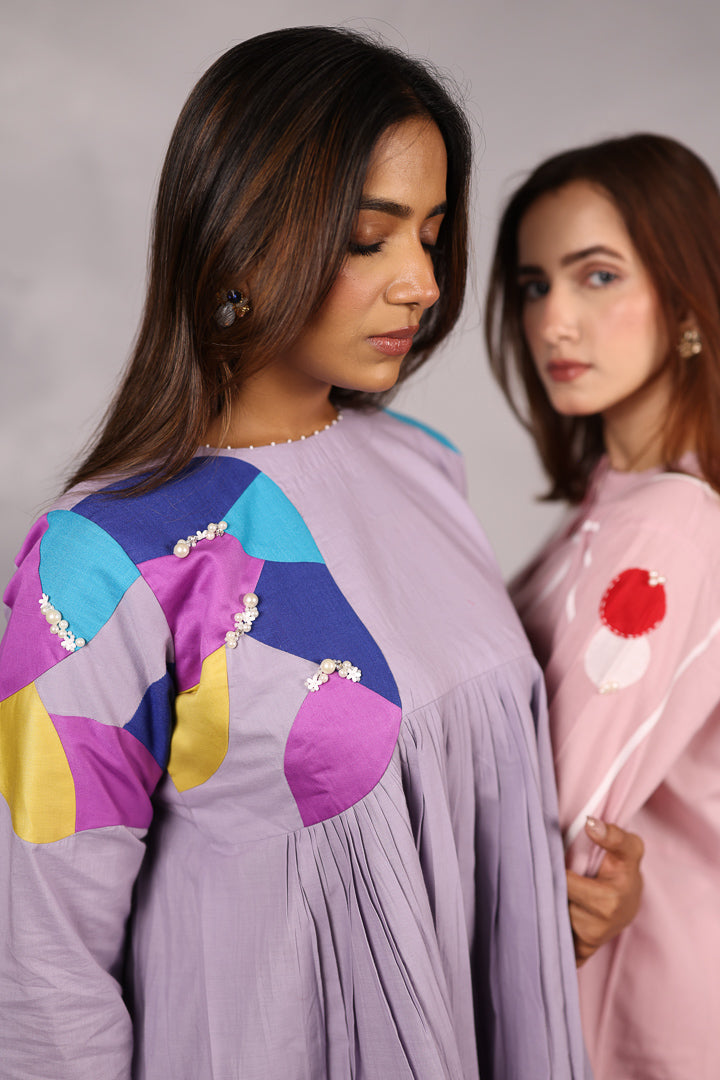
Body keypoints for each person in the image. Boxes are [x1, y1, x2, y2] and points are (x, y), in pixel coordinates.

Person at [0, 27, 588, 1080]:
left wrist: (564, 908)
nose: (422, 283)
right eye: (369, 239)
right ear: (236, 238)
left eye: (433, 235)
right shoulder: (100, 563)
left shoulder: (424, 465)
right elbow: (41, 976)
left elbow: (449, 835)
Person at [485, 132, 720, 1079]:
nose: (553, 321)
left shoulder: (669, 526)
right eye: (534, 285)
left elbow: (554, 821)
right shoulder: (616, 502)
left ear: (688, 299)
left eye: (597, 277)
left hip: (640, 1010)